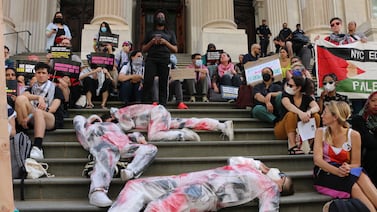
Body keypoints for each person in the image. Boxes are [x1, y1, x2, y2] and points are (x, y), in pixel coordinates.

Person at [108, 156, 294, 212]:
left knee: (156, 207)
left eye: (282, 175)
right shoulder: (255, 170)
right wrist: (258, 165)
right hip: (192, 179)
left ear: (280, 185)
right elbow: (233, 160)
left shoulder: (269, 188)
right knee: (135, 185)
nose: (278, 171)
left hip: (205, 192)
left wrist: (272, 182)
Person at [73, 114, 158, 207]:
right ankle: (97, 191)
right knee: (105, 154)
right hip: (103, 146)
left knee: (151, 149)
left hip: (124, 146)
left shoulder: (115, 127)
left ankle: (131, 171)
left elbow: (129, 135)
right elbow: (78, 121)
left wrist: (139, 136)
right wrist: (89, 122)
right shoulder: (89, 127)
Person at [313, 100, 377, 212]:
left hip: (346, 170)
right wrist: (337, 171)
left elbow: (356, 163)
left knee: (359, 174)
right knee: (354, 185)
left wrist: (347, 168)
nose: (322, 115)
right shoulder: (320, 132)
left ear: (335, 117)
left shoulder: (353, 135)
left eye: (325, 112)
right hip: (325, 172)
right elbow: (318, 161)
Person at [14, 62, 65, 160]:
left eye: (43, 73)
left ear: (49, 75)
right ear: (35, 74)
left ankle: (38, 147)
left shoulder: (55, 88)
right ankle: (24, 129)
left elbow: (53, 109)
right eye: (38, 73)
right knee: (20, 99)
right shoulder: (32, 88)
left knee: (38, 111)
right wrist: (38, 97)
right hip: (33, 118)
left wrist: (30, 116)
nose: (41, 75)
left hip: (50, 118)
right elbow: (23, 96)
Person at [108, 104, 234, 142]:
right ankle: (221, 125)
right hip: (158, 116)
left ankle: (182, 135)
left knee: (153, 136)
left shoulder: (118, 113)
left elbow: (127, 126)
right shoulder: (122, 112)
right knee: (187, 121)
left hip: (156, 114)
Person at [274, 75, 320, 155]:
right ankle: (292, 146)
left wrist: (309, 112)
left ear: (299, 88)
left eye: (291, 85)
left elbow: (316, 107)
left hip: (301, 129)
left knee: (316, 116)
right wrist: (301, 113)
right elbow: (288, 105)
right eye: (287, 84)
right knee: (291, 114)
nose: (288, 87)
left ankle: (309, 145)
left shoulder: (306, 97)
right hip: (283, 128)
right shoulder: (285, 95)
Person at [141, 9, 178, 106]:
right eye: (159, 17)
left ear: (165, 19)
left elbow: (175, 49)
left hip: (164, 59)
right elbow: (143, 49)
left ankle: (163, 106)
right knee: (148, 81)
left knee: (163, 84)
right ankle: (145, 104)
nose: (160, 18)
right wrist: (152, 42)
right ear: (155, 19)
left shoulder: (170, 33)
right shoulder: (150, 32)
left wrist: (165, 42)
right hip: (151, 59)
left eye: (162, 17)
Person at [351, 92, 377, 187]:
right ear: (368, 102)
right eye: (373, 100)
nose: (376, 104)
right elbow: (369, 142)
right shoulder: (359, 119)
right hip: (364, 158)